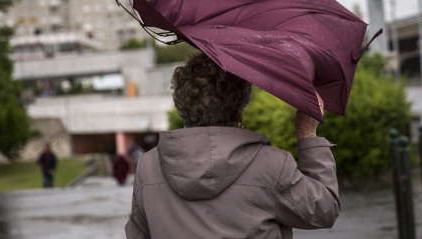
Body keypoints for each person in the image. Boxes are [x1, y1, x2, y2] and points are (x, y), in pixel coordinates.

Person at [125, 53, 340, 238]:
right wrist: (307, 134)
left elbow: (137, 234)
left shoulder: (147, 166)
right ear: (240, 106)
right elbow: (324, 210)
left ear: (181, 104)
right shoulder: (272, 165)